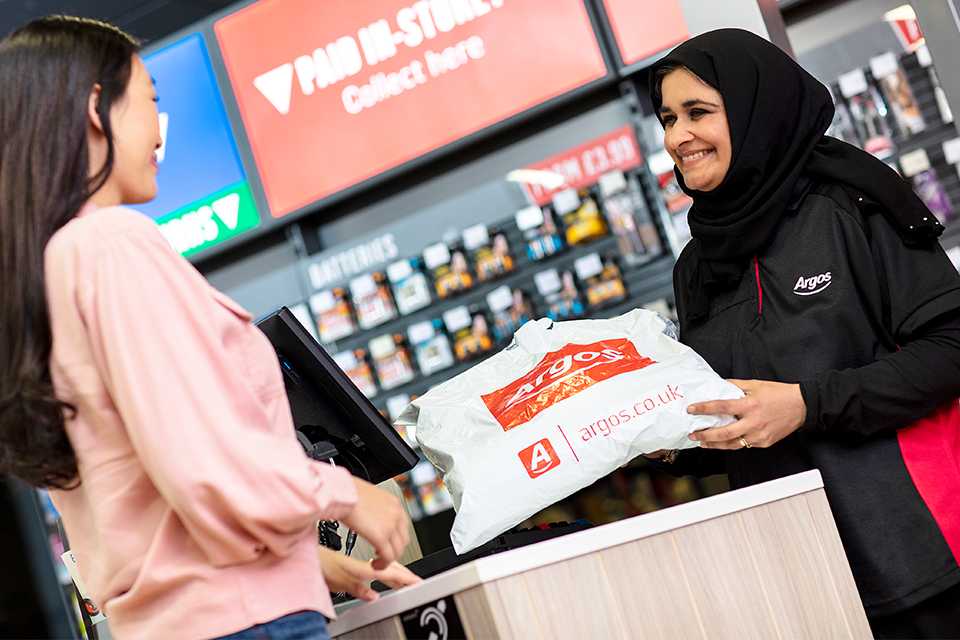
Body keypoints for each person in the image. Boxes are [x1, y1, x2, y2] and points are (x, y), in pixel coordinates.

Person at [0, 16, 418, 640]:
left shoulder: (47, 273)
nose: (159, 134)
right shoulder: (112, 244)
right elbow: (203, 457)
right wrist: (347, 495)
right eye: (151, 103)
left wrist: (302, 561)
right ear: (96, 108)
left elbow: (143, 494)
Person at [647, 29, 960, 639]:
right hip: (804, 580)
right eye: (666, 118)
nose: (675, 137)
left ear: (753, 109)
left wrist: (806, 405)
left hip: (926, 557)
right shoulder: (699, 266)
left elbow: (951, 351)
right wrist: (663, 435)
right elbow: (735, 418)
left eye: (697, 113)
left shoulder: (853, 205)